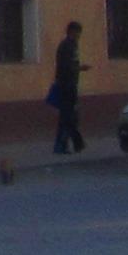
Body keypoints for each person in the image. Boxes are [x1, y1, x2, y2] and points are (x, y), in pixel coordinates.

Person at [49, 18, 88, 156]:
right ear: (72, 32)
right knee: (68, 116)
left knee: (70, 116)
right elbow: (67, 66)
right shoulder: (67, 46)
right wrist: (80, 68)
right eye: (78, 33)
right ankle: (65, 145)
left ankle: (71, 144)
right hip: (66, 85)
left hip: (70, 84)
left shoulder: (72, 45)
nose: (79, 36)